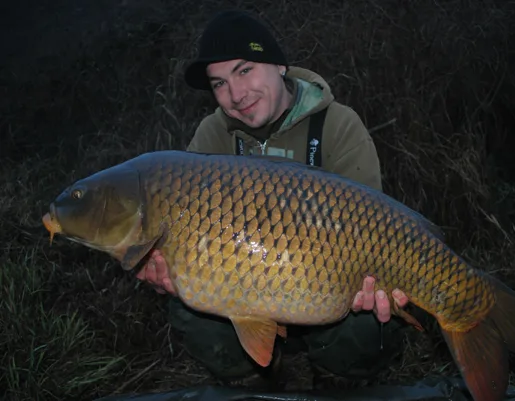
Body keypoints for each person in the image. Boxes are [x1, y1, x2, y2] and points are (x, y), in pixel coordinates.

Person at [135, 9, 410, 390]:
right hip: (247, 292)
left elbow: (375, 231)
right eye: (219, 83)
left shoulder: (338, 126)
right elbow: (184, 230)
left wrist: (374, 284)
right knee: (189, 310)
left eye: (245, 70)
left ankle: (337, 381)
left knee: (369, 322)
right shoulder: (213, 136)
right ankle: (256, 381)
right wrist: (169, 271)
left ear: (280, 65)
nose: (236, 95)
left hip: (328, 297)